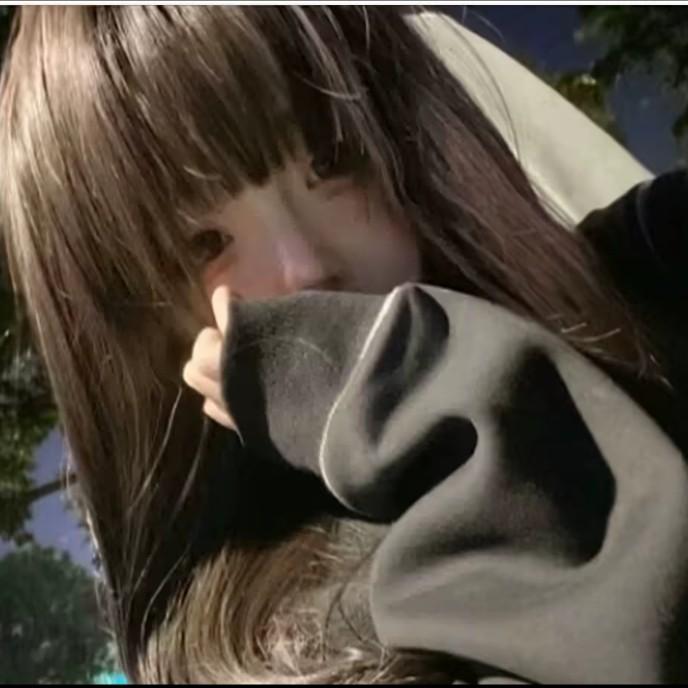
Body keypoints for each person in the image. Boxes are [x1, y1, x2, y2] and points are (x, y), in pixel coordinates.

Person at [0, 6, 686, 684]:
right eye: (203, 244)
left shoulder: (649, 257)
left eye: (331, 160)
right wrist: (436, 401)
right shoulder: (283, 643)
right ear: (132, 325)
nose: (304, 270)